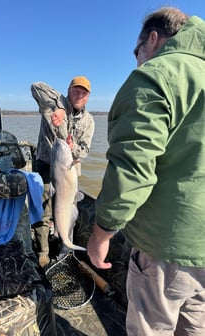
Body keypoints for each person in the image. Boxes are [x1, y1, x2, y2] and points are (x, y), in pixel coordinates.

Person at [87, 7, 205, 336]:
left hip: (167, 245)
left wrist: (101, 235)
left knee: (149, 329)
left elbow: (132, 169)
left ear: (152, 39)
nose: (137, 59)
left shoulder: (155, 75)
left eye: (136, 51)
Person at [31, 76, 95, 267]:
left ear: (88, 97)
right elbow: (36, 86)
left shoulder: (89, 120)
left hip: (69, 171)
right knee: (43, 209)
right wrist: (58, 106)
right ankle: (43, 252)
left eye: (84, 93)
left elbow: (84, 150)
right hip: (45, 164)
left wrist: (71, 147)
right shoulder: (52, 105)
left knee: (70, 209)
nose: (80, 95)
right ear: (68, 90)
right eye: (76, 91)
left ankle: (65, 248)